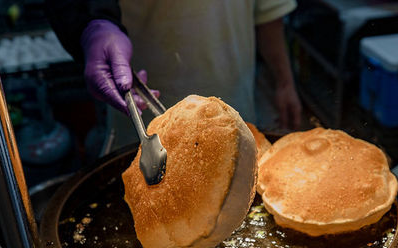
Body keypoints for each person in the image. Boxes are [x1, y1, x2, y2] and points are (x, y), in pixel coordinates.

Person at [45, 0, 303, 148]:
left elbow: (267, 9)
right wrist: (90, 25)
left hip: (236, 108)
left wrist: (284, 81)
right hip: (142, 125)